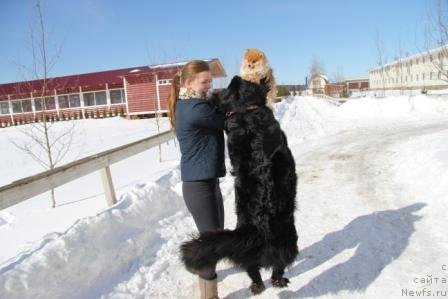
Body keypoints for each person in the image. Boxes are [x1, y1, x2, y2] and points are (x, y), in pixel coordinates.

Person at [168, 60, 225, 299]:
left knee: (217, 235)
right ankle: (208, 294)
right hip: (198, 187)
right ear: (189, 83)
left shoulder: (193, 103)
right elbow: (225, 118)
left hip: (208, 182)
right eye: (204, 82)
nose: (208, 86)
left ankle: (200, 266)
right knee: (211, 244)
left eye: (210, 81)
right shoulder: (195, 108)